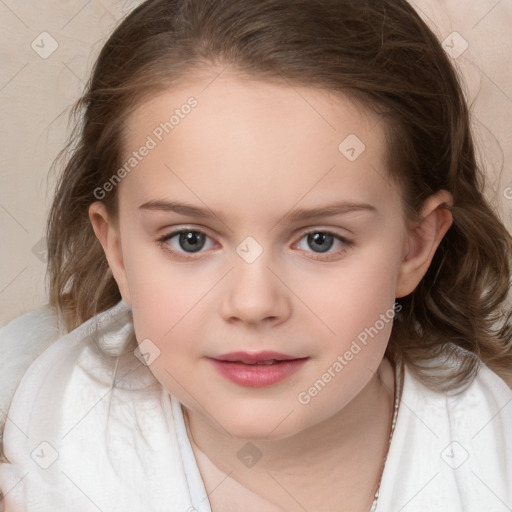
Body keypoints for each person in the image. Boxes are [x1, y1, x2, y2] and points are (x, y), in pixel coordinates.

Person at [1, 0, 511, 510]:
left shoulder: (493, 459)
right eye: (190, 240)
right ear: (117, 250)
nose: (252, 303)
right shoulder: (28, 445)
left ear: (414, 246)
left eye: (320, 240)